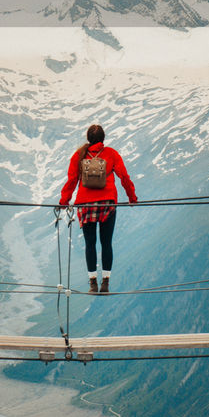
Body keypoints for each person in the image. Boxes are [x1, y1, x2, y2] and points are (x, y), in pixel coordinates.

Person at [58, 124, 137, 294]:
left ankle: (92, 284)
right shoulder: (111, 154)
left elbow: (71, 181)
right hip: (107, 203)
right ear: (103, 138)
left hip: (85, 205)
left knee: (90, 243)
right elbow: (124, 176)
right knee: (106, 243)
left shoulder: (78, 156)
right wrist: (132, 198)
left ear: (88, 138)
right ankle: (105, 283)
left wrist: (64, 201)